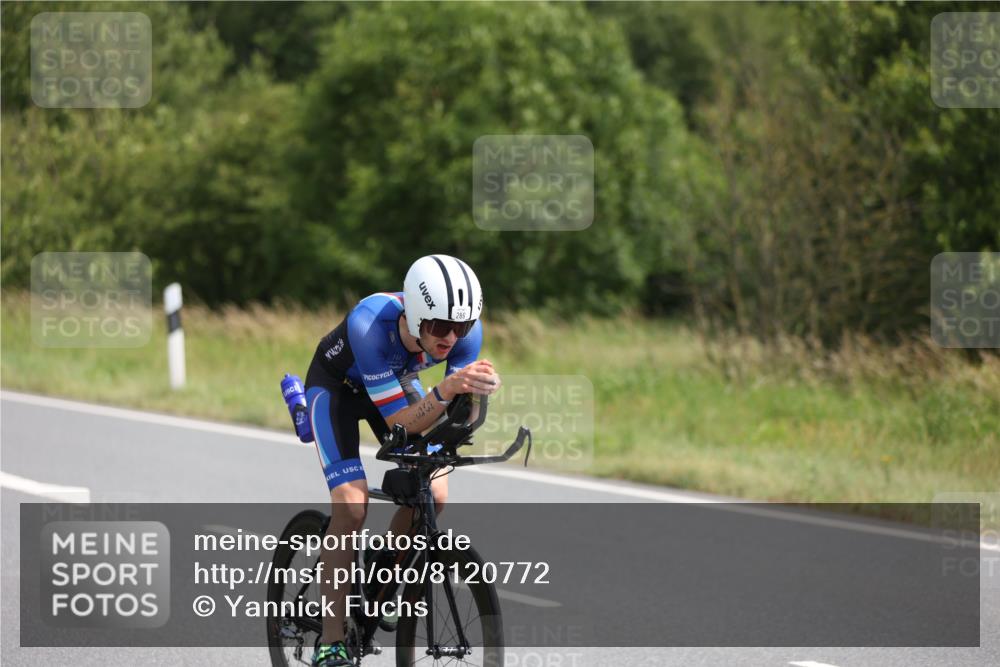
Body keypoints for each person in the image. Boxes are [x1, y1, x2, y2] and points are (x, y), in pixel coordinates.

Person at [303, 254, 502, 667]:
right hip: (336, 390)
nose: (451, 338)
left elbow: (457, 410)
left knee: (436, 491)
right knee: (351, 505)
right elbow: (399, 423)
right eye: (440, 327)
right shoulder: (370, 323)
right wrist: (447, 390)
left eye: (462, 327)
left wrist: (474, 395)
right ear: (415, 315)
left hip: (396, 385)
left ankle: (384, 572)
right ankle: (331, 641)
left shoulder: (465, 334)